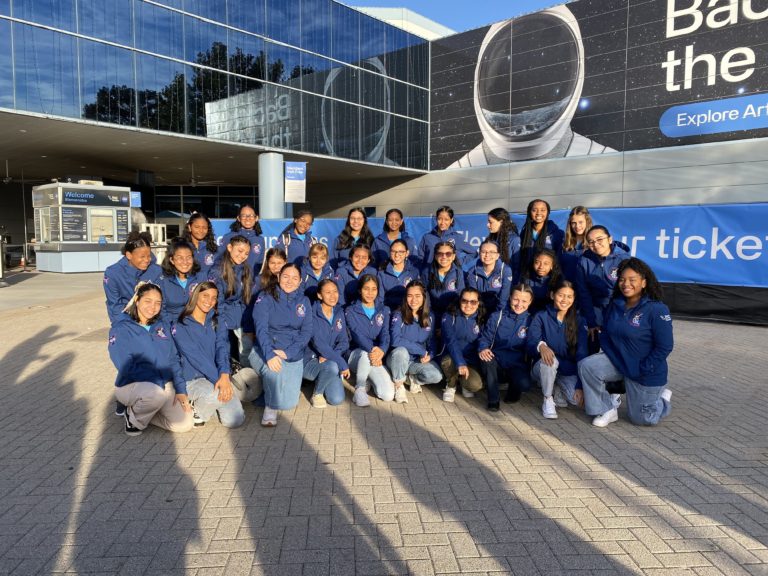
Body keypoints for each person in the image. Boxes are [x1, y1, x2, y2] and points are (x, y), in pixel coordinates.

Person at [578, 258, 674, 428]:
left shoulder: (657, 309)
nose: (626, 284)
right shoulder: (615, 305)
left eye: (632, 280)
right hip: (619, 363)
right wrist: (611, 356)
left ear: (644, 282)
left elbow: (665, 346)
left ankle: (662, 401)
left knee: (642, 419)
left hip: (644, 370)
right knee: (588, 366)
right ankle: (607, 409)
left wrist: (643, 368)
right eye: (622, 279)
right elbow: (606, 333)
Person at [107, 282, 193, 436]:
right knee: (155, 395)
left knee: (185, 424)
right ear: (137, 300)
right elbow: (125, 365)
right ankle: (133, 419)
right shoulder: (121, 328)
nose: (152, 307)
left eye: (158, 303)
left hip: (163, 385)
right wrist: (158, 382)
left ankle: (150, 414)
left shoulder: (161, 326)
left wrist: (180, 389)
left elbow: (173, 359)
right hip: (132, 385)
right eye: (148, 301)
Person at [172, 281, 250, 428]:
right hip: (193, 379)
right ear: (195, 296)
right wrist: (222, 382)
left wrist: (225, 375)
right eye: (205, 296)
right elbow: (196, 358)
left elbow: (222, 349)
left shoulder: (217, 320)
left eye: (214, 298)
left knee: (235, 420)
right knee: (216, 394)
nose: (209, 301)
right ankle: (198, 410)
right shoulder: (180, 325)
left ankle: (213, 404)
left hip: (216, 376)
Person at [250, 263, 313, 427]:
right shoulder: (265, 297)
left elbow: (306, 332)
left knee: (288, 404)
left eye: (294, 278)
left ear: (300, 281)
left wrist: (289, 352)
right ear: (278, 277)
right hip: (265, 350)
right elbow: (261, 329)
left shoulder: (304, 301)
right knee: (275, 373)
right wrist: (270, 354)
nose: (289, 281)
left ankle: (266, 391)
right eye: (285, 276)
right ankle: (269, 408)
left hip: (292, 354)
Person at [527, 280, 588, 420]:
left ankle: (557, 387)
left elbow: (582, 354)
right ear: (552, 295)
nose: (565, 300)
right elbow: (530, 342)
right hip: (542, 367)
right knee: (550, 360)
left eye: (569, 296)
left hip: (567, 370)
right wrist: (541, 346)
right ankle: (547, 399)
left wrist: (580, 386)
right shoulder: (541, 316)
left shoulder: (579, 320)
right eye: (561, 295)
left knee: (576, 400)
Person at [575, 225, 631, 353]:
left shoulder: (624, 259)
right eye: (591, 242)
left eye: (600, 239)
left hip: (618, 308)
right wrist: (591, 321)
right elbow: (584, 292)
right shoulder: (584, 261)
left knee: (617, 348)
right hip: (595, 308)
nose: (596, 244)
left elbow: (629, 292)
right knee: (591, 339)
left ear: (610, 239)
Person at [478, 285, 534, 411]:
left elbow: (533, 345)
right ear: (510, 298)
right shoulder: (497, 317)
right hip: (496, 362)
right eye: (516, 299)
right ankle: (493, 400)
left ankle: (514, 390)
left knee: (524, 384)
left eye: (524, 301)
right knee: (486, 359)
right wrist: (483, 348)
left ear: (530, 302)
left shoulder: (531, 321)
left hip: (516, 365)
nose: (519, 304)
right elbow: (485, 338)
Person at [345, 274, 397, 404]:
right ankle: (360, 389)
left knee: (388, 395)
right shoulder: (350, 310)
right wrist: (373, 350)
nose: (370, 293)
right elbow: (356, 334)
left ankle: (369, 378)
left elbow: (385, 334)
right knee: (364, 354)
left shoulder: (384, 309)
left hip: (376, 355)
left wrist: (382, 351)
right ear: (359, 290)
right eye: (366, 289)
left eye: (374, 289)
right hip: (356, 355)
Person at [388, 281, 443, 397]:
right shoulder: (398, 315)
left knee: (436, 375)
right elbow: (395, 340)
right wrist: (421, 351)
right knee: (401, 351)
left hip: (415, 361)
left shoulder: (430, 316)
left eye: (417, 296)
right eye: (409, 296)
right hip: (397, 359)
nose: (413, 300)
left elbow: (431, 340)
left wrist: (430, 355)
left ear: (424, 297)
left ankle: (411, 379)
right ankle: (398, 385)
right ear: (405, 298)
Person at [303, 279, 349, 408]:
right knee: (333, 366)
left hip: (330, 360)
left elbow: (344, 341)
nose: (332, 295)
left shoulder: (339, 312)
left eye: (335, 291)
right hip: (310, 361)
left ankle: (323, 377)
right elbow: (318, 344)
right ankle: (317, 394)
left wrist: (331, 355)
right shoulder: (311, 313)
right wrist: (341, 363)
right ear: (319, 295)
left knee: (336, 399)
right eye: (328, 292)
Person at [240, 247, 287, 366]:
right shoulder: (260, 280)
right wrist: (249, 329)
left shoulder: (289, 281)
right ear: (267, 263)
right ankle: (246, 378)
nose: (276, 266)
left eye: (279, 263)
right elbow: (250, 306)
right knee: (248, 352)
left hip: (276, 330)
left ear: (285, 262)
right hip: (256, 327)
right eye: (272, 263)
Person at [209, 235, 252, 361]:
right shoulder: (218, 271)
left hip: (240, 318)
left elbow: (245, 298)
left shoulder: (244, 269)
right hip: (224, 318)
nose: (243, 255)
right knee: (226, 353)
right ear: (229, 247)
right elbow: (218, 302)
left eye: (246, 253)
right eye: (239, 251)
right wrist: (223, 323)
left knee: (245, 351)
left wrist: (247, 322)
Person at [103, 231, 162, 324]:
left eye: (149, 255)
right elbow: (115, 306)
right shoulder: (113, 274)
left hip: (153, 321)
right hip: (125, 322)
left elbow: (163, 300)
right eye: (142, 257)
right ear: (129, 255)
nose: (147, 260)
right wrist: (129, 326)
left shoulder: (156, 271)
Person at [440, 288, 486, 403]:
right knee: (447, 362)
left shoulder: (482, 318)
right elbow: (451, 341)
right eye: (464, 301)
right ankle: (451, 385)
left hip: (471, 361)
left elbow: (484, 340)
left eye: (473, 302)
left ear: (478, 303)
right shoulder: (449, 316)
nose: (468, 305)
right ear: (459, 301)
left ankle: (464, 384)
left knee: (476, 385)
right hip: (452, 357)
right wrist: (460, 363)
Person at [158, 239, 205, 323]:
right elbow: (161, 309)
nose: (185, 262)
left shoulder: (201, 277)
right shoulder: (163, 280)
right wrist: (173, 326)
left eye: (188, 258)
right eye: (180, 258)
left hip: (196, 323)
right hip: (171, 324)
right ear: (172, 260)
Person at [422, 241, 465, 324]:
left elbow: (460, 296)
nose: (444, 257)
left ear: (453, 256)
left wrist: (449, 318)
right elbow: (425, 296)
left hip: (451, 315)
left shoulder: (458, 272)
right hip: (432, 315)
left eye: (448, 254)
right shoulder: (427, 272)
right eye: (440, 253)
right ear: (435, 256)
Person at [215, 204, 266, 274]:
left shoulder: (260, 240)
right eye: (244, 215)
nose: (247, 218)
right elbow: (219, 259)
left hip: (251, 282)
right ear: (238, 218)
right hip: (232, 280)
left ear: (256, 218)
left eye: (251, 215)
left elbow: (260, 264)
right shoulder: (229, 237)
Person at [466, 240, 514, 312]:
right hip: (479, 309)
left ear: (497, 255)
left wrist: (496, 315)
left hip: (498, 310)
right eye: (483, 252)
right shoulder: (472, 272)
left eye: (492, 252)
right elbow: (473, 298)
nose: (487, 255)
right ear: (479, 254)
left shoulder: (505, 270)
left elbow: (504, 298)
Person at [519, 199, 564, 275]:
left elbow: (559, 258)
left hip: (549, 278)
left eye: (543, 210)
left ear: (548, 212)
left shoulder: (557, 234)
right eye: (534, 210)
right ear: (529, 212)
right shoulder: (524, 233)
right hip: (528, 277)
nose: (539, 213)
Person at [377, 238, 421, 310]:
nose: (397, 255)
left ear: (407, 253)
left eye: (401, 252)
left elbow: (418, 295)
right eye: (393, 251)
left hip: (408, 310)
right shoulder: (382, 273)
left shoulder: (414, 271)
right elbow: (380, 299)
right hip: (389, 311)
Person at [559, 206, 592, 282]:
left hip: (587, 289)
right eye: (574, 223)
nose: (577, 226)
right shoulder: (564, 243)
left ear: (587, 222)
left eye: (581, 222)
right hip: (567, 289)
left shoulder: (593, 243)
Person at [522, 248, 561, 313]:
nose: (541, 267)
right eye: (537, 262)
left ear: (552, 266)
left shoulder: (558, 281)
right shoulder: (526, 277)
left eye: (546, 264)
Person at [485, 207, 521, 276]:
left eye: (490, 222)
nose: (487, 225)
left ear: (501, 222)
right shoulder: (490, 239)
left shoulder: (514, 240)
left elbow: (517, 267)